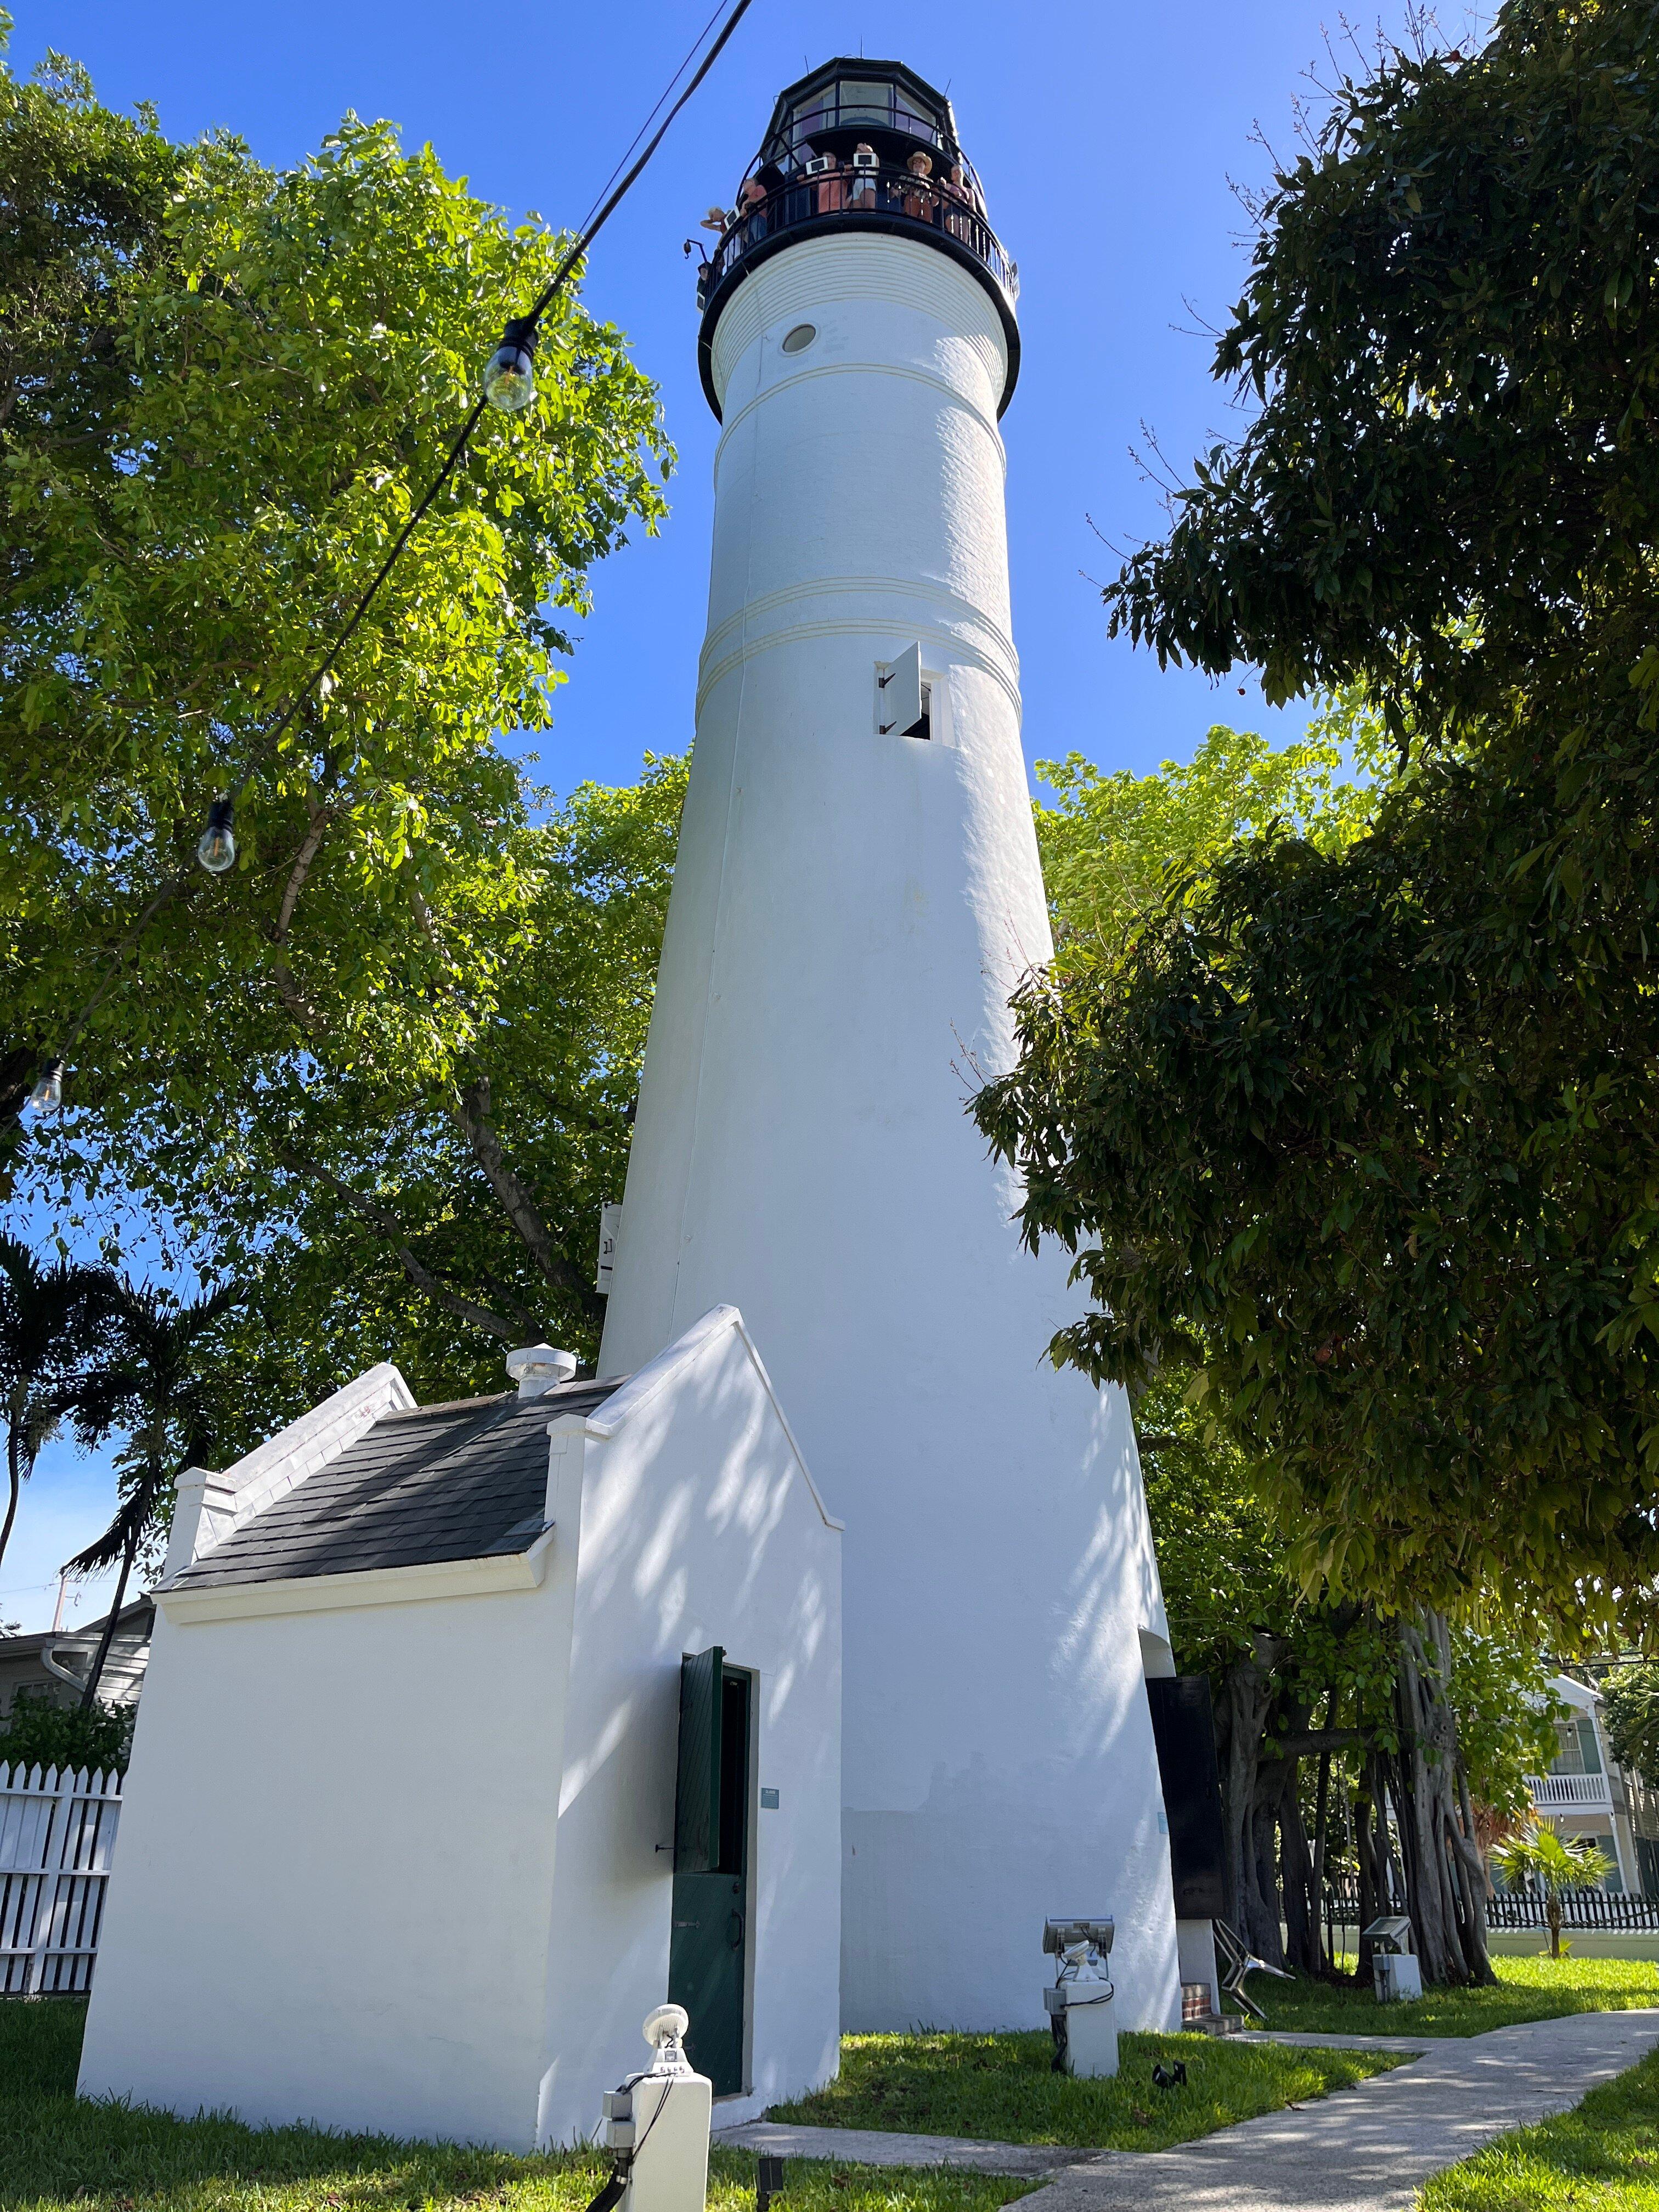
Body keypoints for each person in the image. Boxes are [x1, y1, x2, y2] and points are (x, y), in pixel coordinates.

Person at [902, 150, 935, 223]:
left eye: (920, 162)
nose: (917, 164)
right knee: (910, 221)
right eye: (915, 162)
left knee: (927, 224)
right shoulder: (906, 177)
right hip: (912, 200)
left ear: (924, 165)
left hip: (926, 203)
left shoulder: (930, 182)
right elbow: (897, 190)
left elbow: (934, 199)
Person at [849, 141, 878, 210]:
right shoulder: (859, 178)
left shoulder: (866, 179)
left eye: (860, 151)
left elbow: (870, 208)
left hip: (863, 219)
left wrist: (864, 148)